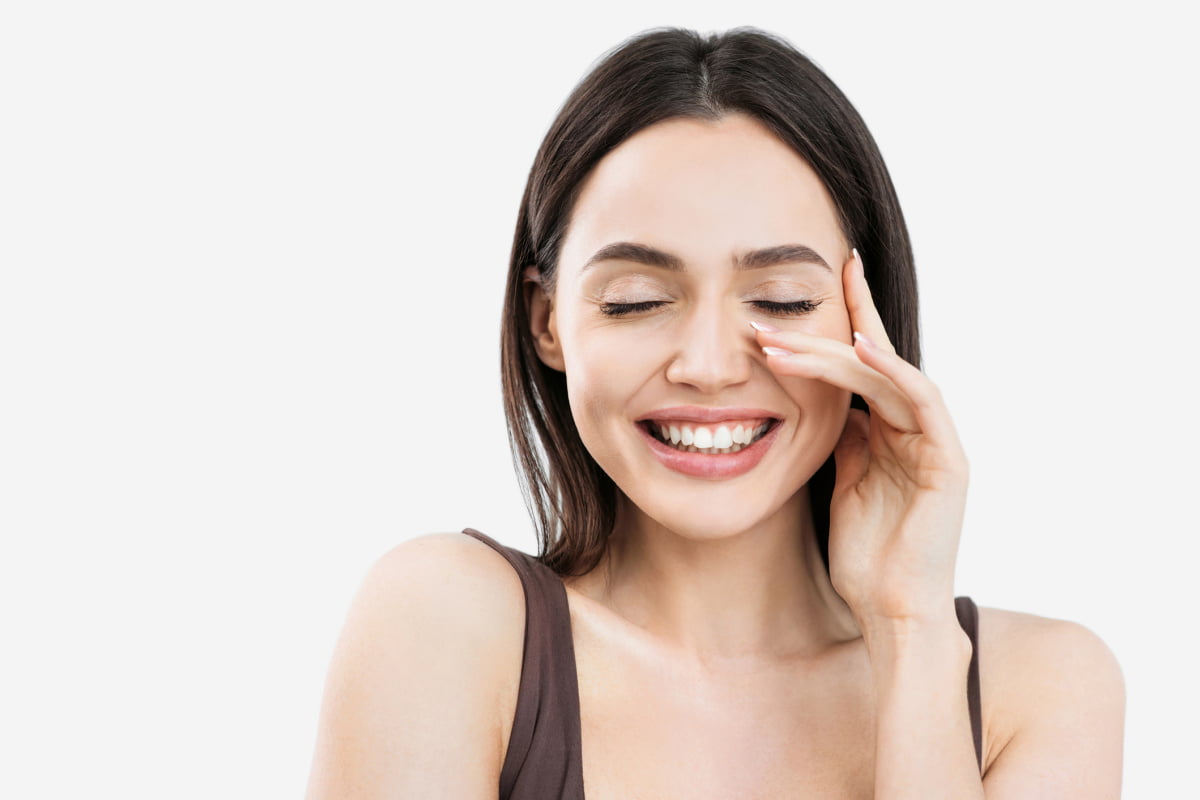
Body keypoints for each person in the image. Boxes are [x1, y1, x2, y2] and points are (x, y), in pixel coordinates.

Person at [304, 26, 1125, 798]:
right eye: (636, 301)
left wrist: (909, 630)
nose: (705, 367)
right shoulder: (445, 624)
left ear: (863, 317)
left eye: (781, 298)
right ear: (548, 322)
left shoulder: (1042, 690)